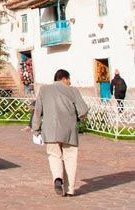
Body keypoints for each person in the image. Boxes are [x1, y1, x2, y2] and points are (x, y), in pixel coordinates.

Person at [31, 69, 89, 197]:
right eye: (69, 79)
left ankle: (57, 178)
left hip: (50, 129)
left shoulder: (44, 90)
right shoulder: (73, 90)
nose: (70, 82)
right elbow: (83, 110)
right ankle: (70, 190)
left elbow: (37, 111)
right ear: (64, 78)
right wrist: (80, 117)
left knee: (54, 155)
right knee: (70, 157)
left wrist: (35, 129)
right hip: (69, 130)